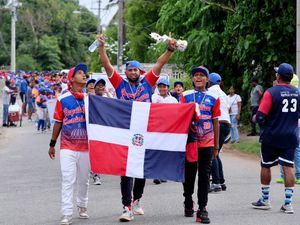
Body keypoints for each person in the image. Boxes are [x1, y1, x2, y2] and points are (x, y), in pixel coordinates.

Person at [97, 33, 176, 222]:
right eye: (130, 70)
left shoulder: (148, 83)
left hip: (144, 132)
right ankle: (126, 207)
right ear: (126, 72)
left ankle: (137, 200)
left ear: (141, 72)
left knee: (141, 170)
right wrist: (101, 48)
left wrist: (170, 50)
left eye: (136, 70)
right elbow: (107, 65)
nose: (133, 72)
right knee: (126, 171)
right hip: (124, 133)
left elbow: (159, 64)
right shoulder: (119, 83)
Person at [252, 63, 299, 214]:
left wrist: (256, 119)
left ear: (278, 77)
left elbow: (260, 116)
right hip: (290, 136)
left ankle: (265, 200)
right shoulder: (297, 93)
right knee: (288, 167)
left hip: (271, 136)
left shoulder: (271, 92)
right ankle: (288, 204)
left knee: (266, 165)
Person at [48, 64, 90, 225]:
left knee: (84, 180)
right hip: (68, 146)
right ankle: (66, 212)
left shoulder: (89, 99)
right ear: (71, 79)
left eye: (84, 73)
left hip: (86, 147)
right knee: (68, 179)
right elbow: (58, 122)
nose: (84, 75)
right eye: (80, 73)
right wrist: (52, 144)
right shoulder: (62, 99)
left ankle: (82, 205)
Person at [181, 66, 220, 224]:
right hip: (190, 142)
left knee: (204, 176)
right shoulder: (185, 96)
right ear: (192, 79)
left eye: (202, 75)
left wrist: (216, 146)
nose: (198, 78)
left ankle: (202, 208)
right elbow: (179, 118)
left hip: (207, 142)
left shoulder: (214, 97)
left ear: (207, 79)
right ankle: (188, 200)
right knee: (189, 175)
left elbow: (215, 121)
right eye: (195, 75)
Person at [151, 78, 178, 185]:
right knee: (156, 151)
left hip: (169, 129)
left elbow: (177, 114)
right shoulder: (154, 97)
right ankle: (155, 174)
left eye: (164, 86)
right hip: (156, 128)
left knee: (165, 152)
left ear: (168, 88)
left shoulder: (174, 101)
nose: (162, 88)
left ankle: (162, 174)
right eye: (160, 86)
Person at [208, 73, 231, 192]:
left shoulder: (210, 92)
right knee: (216, 153)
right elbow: (228, 109)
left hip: (218, 123)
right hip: (226, 124)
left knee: (212, 154)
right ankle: (221, 182)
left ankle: (216, 183)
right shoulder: (223, 93)